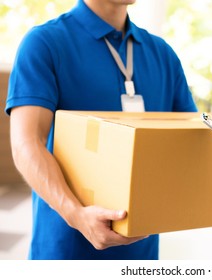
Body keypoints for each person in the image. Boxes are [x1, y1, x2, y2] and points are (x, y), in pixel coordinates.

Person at [5, 0, 200, 260]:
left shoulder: (162, 54)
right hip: (66, 252)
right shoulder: (45, 43)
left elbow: (196, 142)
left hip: (141, 254)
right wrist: (77, 215)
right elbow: (26, 144)